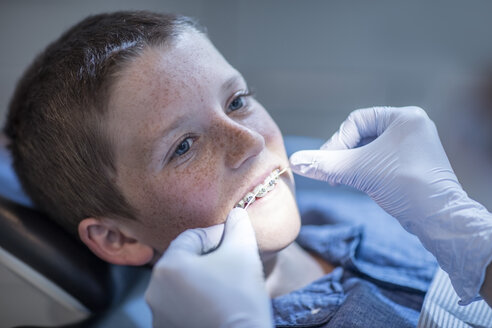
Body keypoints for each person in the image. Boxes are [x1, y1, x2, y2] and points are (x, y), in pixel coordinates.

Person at [3, 10, 489, 327]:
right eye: (184, 146)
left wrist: (473, 245)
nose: (250, 141)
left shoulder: (346, 213)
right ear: (119, 239)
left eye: (236, 101)